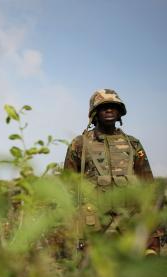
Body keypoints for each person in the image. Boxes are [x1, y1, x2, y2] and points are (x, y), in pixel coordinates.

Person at [63, 89, 157, 255]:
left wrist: (153, 231)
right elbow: (68, 186)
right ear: (95, 113)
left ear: (119, 112)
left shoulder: (133, 144)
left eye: (113, 106)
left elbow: (147, 186)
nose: (109, 110)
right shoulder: (79, 144)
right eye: (104, 107)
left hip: (129, 222)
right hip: (93, 224)